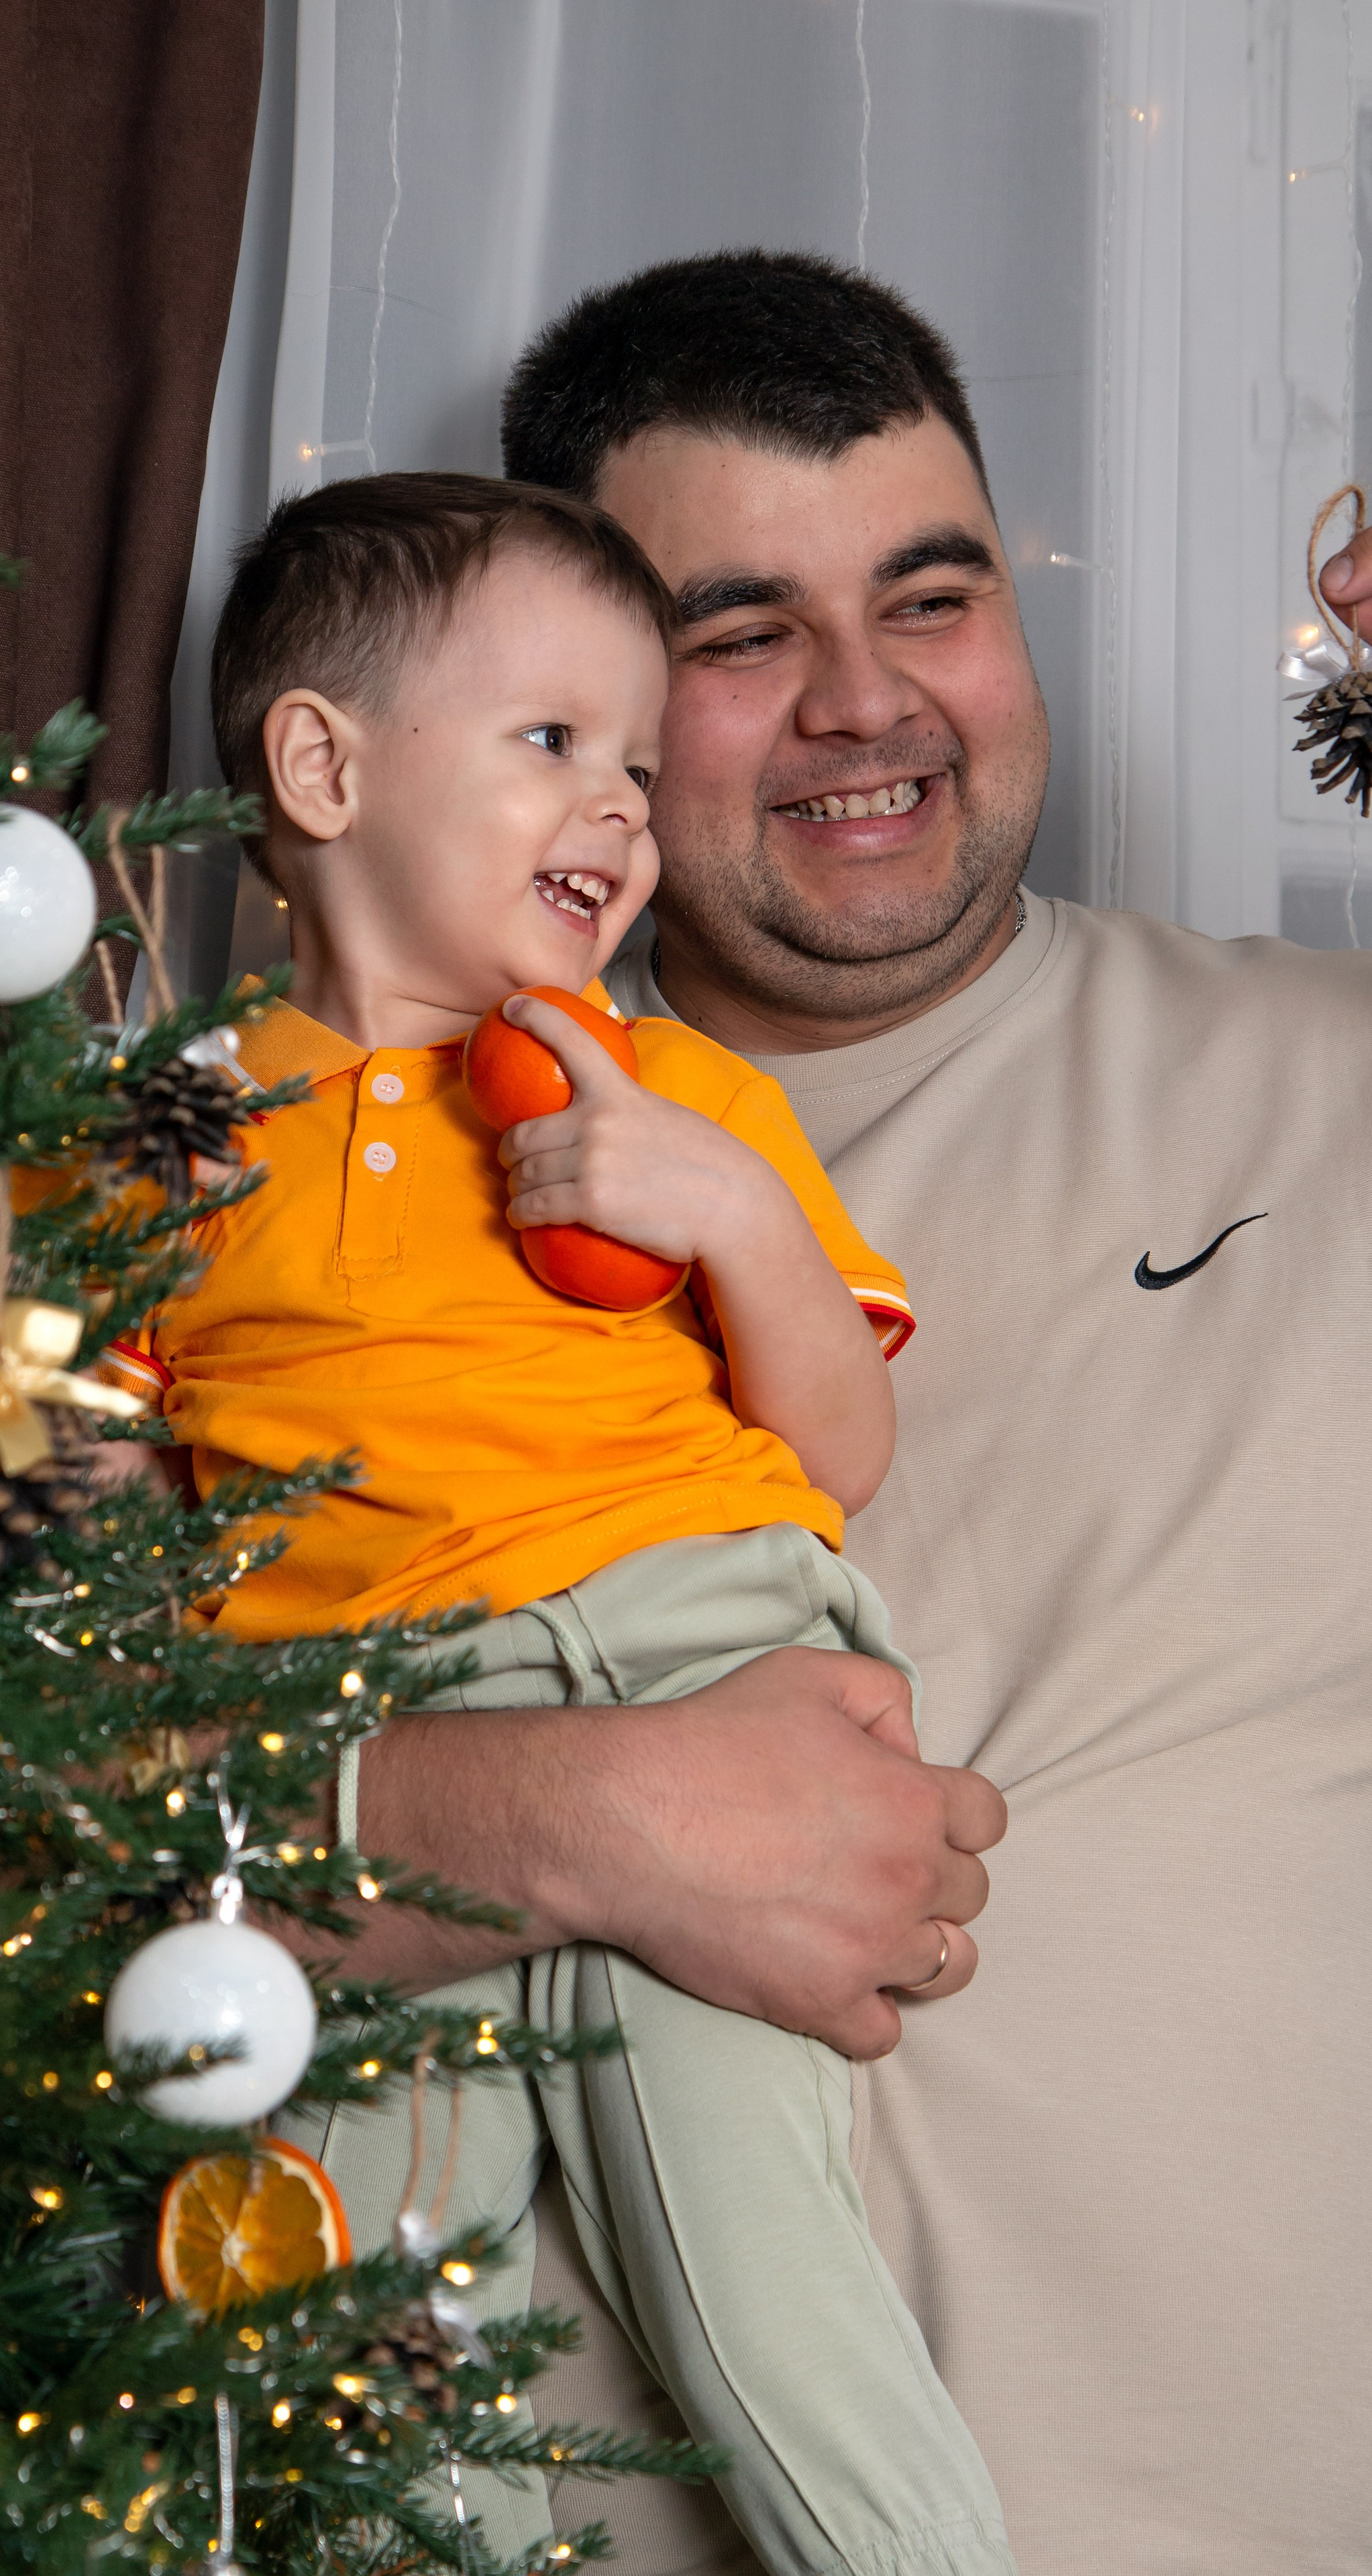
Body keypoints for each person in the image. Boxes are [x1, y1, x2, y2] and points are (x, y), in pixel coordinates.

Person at [330, 252, 1372, 2576]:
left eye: (935, 595)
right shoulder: (335, 1167)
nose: (869, 706)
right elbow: (77, 1859)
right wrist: (567, 1821)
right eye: (739, 631)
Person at [114, 470, 1016, 2575]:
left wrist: (722, 1217)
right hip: (374, 1745)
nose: (619, 807)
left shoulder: (669, 1093)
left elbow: (844, 1446)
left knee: (753, 2295)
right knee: (363, 2332)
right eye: (553, 746)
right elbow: (97, 1543)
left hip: (702, 1654)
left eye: (633, 757)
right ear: (322, 767)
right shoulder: (167, 1138)